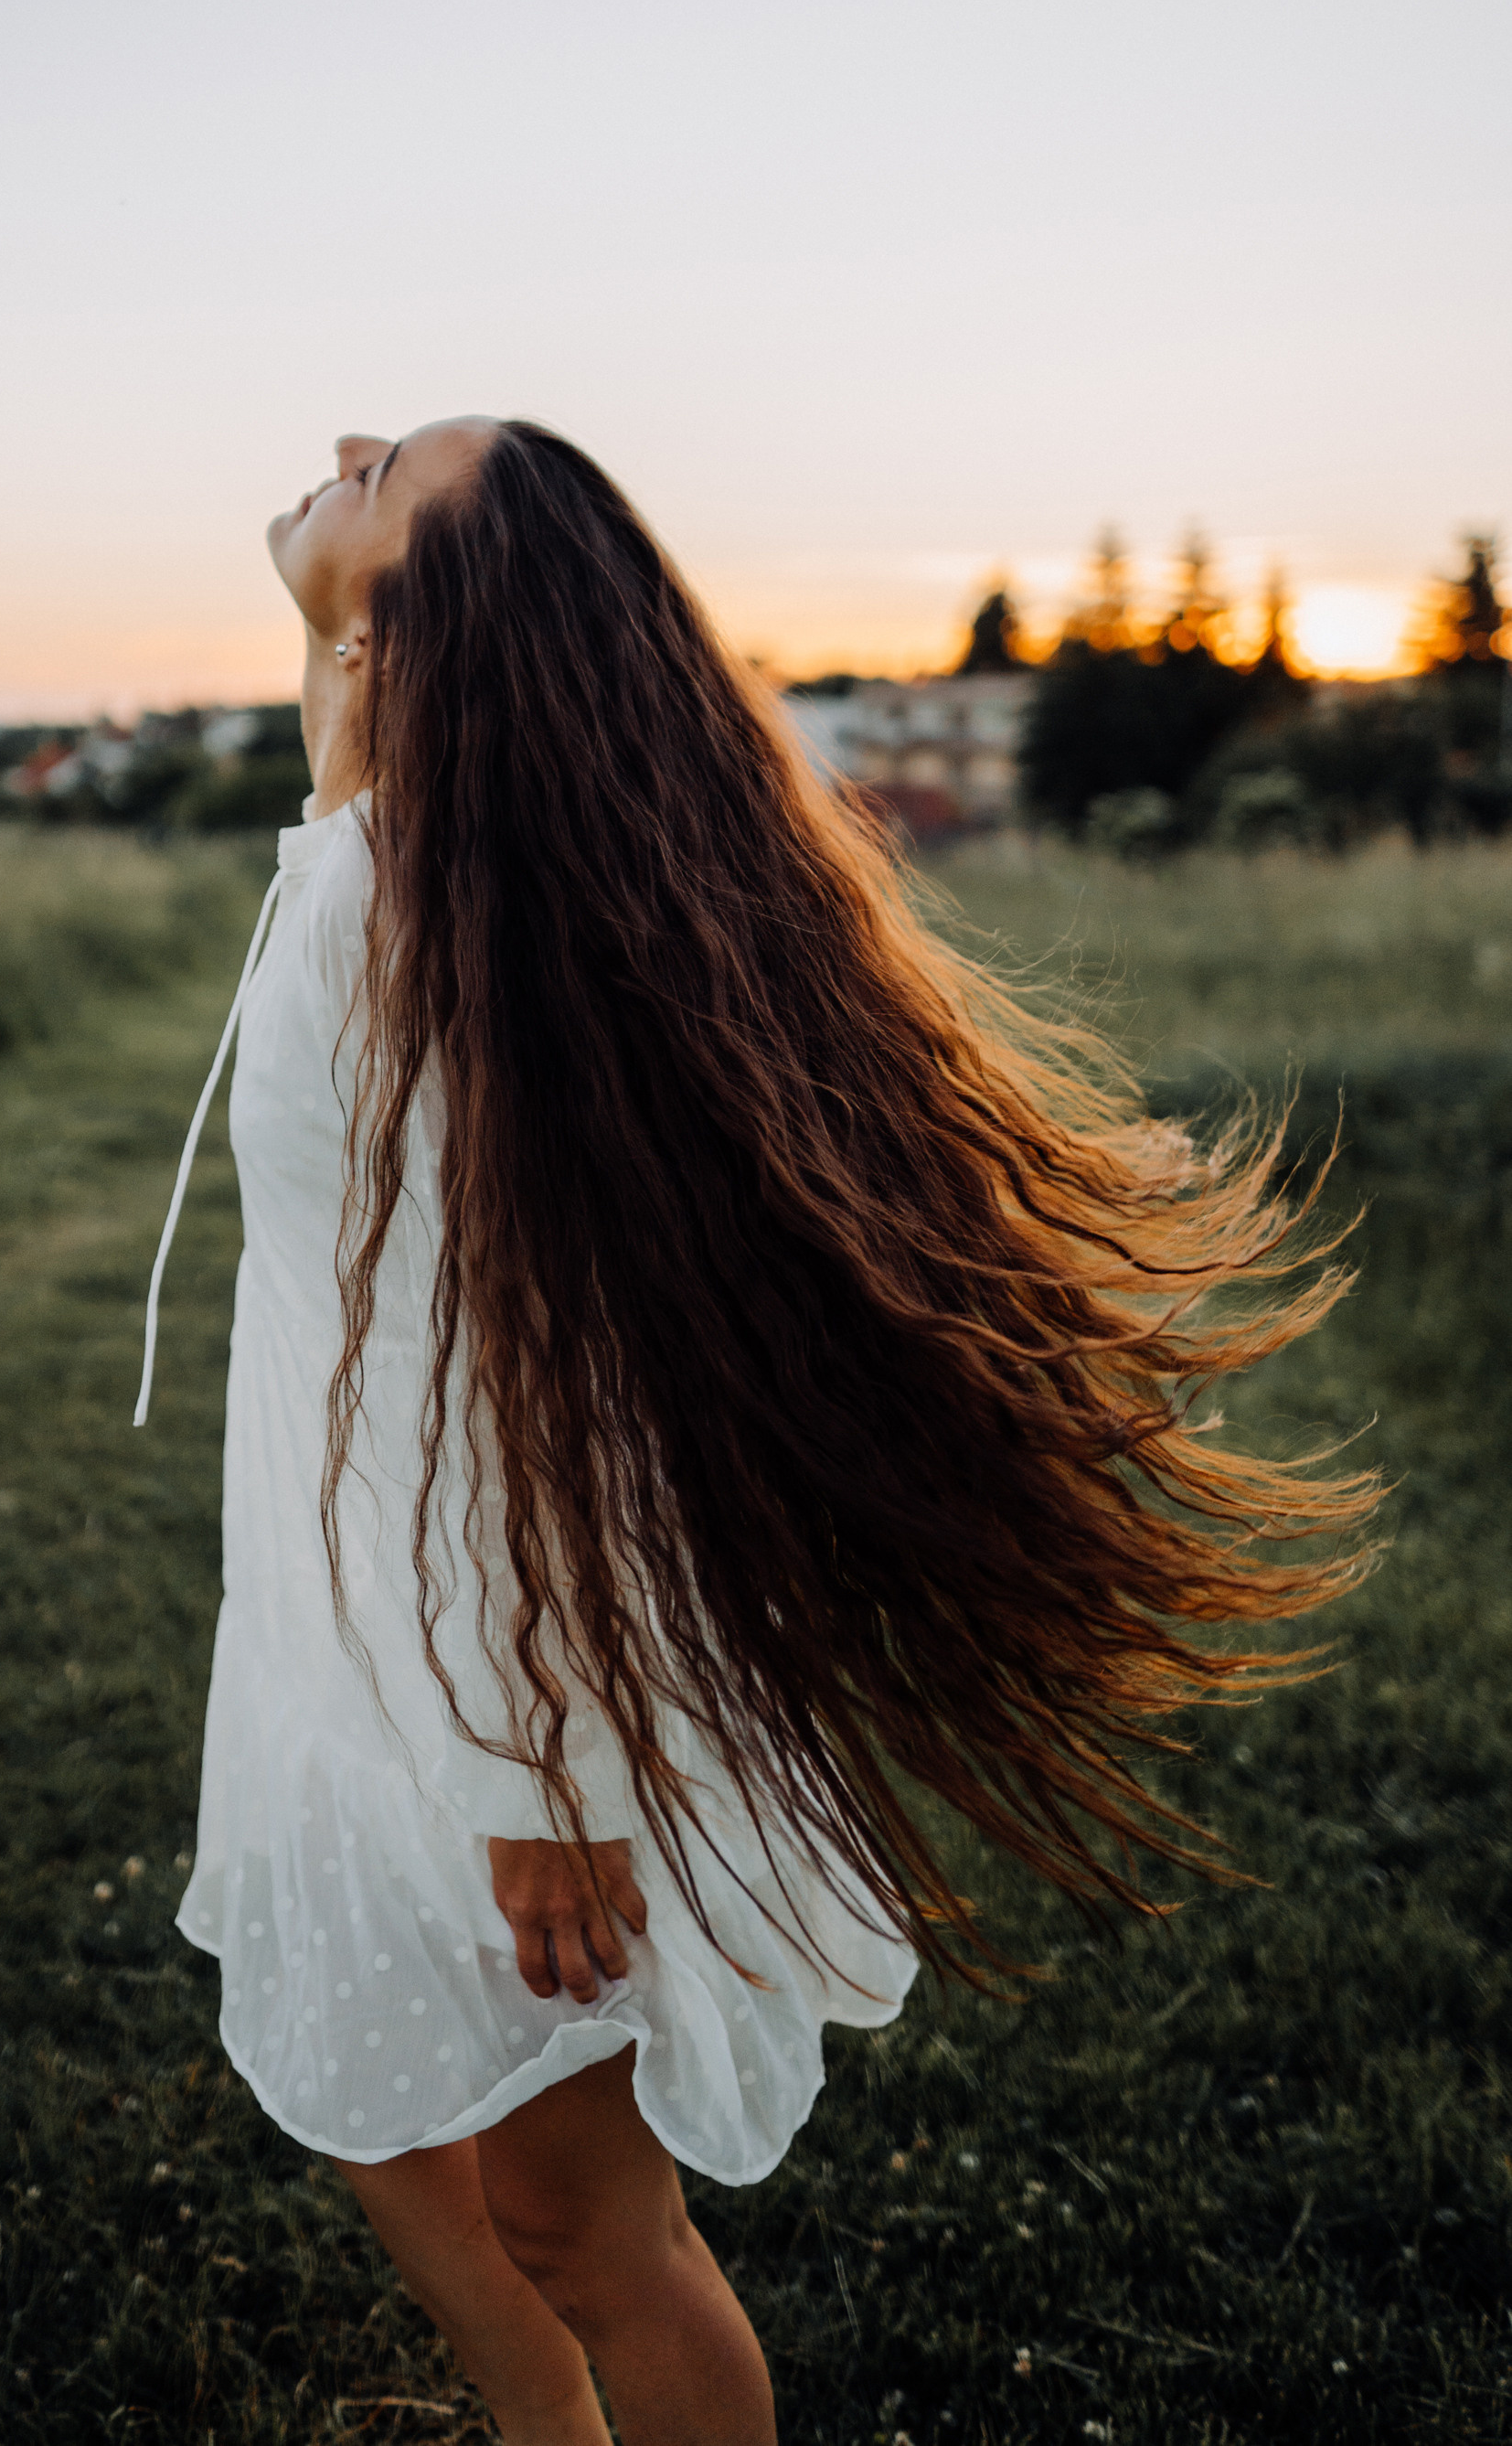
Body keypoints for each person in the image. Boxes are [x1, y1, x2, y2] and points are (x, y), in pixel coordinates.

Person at [143, 419, 1372, 2446]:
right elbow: (350, 746)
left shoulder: (421, 926)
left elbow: (521, 1372)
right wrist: (339, 625)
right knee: (356, 2084)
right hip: (331, 1614)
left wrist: (537, 1755)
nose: (349, 443)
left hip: (491, 1667)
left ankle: (583, 2400)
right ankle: (543, 2423)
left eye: (391, 475)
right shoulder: (394, 839)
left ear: (426, 622)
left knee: (578, 2223)